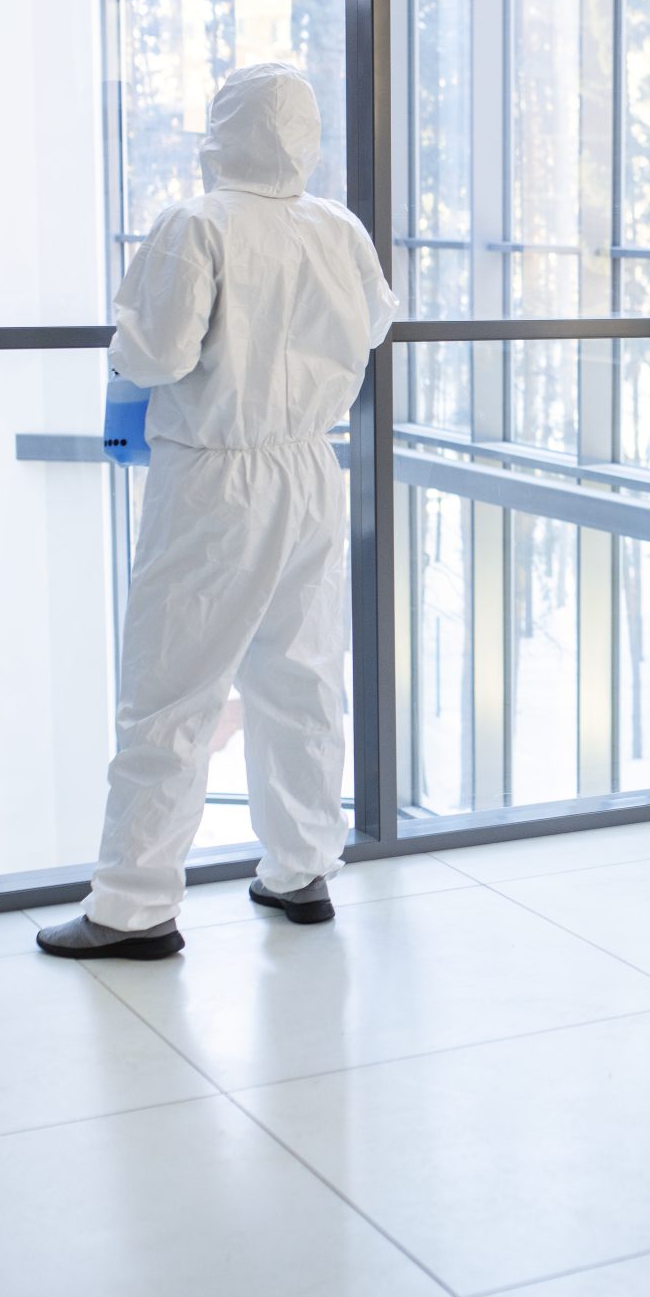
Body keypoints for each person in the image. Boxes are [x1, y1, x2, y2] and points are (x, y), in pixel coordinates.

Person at [38, 64, 396, 960]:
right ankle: (299, 869)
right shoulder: (337, 228)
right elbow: (377, 324)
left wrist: (127, 336)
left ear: (221, 128)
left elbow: (155, 354)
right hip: (311, 467)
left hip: (213, 482)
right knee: (301, 677)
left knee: (172, 689)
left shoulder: (197, 224)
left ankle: (131, 904)